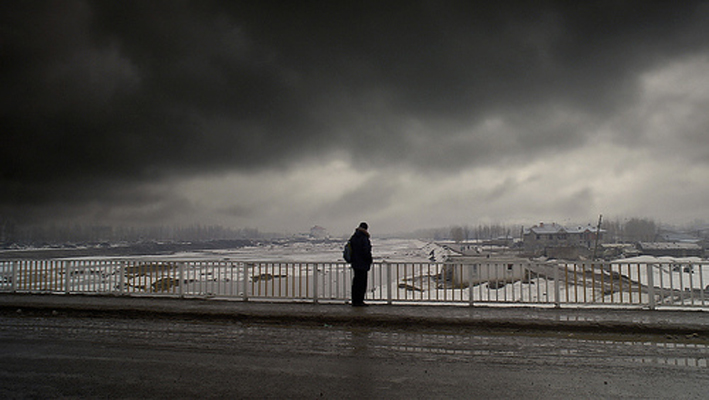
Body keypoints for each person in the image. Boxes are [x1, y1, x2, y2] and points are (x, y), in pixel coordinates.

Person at [348, 222, 372, 307]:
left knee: (356, 283)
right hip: (362, 264)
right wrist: (369, 260)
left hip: (355, 263)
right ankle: (360, 301)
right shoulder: (364, 238)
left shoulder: (354, 237)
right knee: (362, 283)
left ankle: (355, 301)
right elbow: (366, 251)